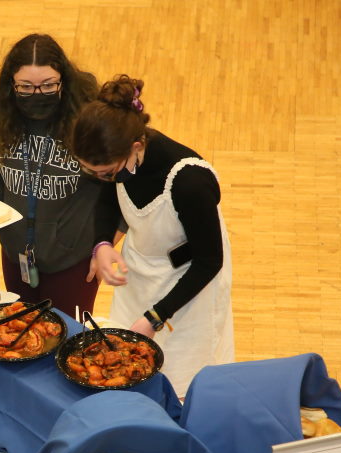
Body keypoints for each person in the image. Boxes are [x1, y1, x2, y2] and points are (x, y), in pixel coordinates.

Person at [70, 74, 234, 397]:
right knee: (124, 367)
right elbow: (107, 195)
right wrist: (102, 244)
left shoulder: (190, 183)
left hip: (190, 285)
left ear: (135, 147)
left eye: (106, 172)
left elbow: (209, 261)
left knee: (183, 381)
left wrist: (155, 317)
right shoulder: (120, 159)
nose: (101, 178)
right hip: (141, 272)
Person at [0, 33, 119, 317]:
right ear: (11, 86)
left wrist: (105, 245)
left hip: (73, 262)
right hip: (16, 253)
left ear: (63, 81)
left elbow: (119, 190)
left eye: (48, 85)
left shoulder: (90, 122)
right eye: (26, 87)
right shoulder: (0, 120)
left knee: (65, 340)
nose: (37, 94)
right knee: (20, 329)